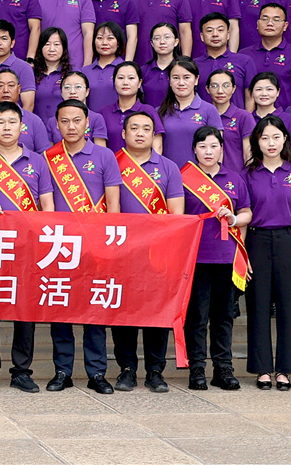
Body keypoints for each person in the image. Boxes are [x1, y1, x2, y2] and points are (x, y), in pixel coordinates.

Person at [41, 98, 121, 393]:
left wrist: (110, 244)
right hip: (59, 246)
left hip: (95, 244)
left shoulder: (104, 156)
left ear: (87, 123)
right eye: (65, 121)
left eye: (77, 120)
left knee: (94, 310)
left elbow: (113, 204)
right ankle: (62, 370)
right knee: (60, 307)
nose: (71, 126)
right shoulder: (47, 158)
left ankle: (97, 372)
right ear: (56, 124)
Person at [0, 103, 49, 392]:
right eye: (0, 122)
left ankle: (22, 371)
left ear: (22, 127)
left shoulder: (37, 161)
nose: (6, 127)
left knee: (25, 308)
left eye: (12, 122)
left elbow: (47, 205)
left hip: (27, 245)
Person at [111, 112, 182, 392]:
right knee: (123, 312)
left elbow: (176, 214)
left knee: (157, 312)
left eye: (146, 129)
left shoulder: (168, 167)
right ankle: (127, 369)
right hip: (122, 250)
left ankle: (155, 371)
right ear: (124, 133)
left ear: (154, 134)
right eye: (134, 128)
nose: (140, 133)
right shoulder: (113, 163)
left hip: (157, 252)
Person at [244, 117, 291, 390]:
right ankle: (262, 369)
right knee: (258, 306)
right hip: (257, 241)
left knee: (288, 307)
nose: (270, 143)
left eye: (275, 137)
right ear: (256, 142)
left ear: (285, 139)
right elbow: (245, 216)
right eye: (264, 138)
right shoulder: (248, 174)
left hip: (288, 241)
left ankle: (285, 369)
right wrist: (242, 254)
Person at [180, 124, 251, 390]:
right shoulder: (184, 178)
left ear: (222, 149)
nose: (208, 151)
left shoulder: (234, 179)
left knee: (223, 317)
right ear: (194, 149)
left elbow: (247, 212)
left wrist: (233, 219)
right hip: (195, 258)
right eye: (202, 146)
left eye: (213, 146)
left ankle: (223, 368)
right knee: (197, 317)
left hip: (227, 258)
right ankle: (196, 369)